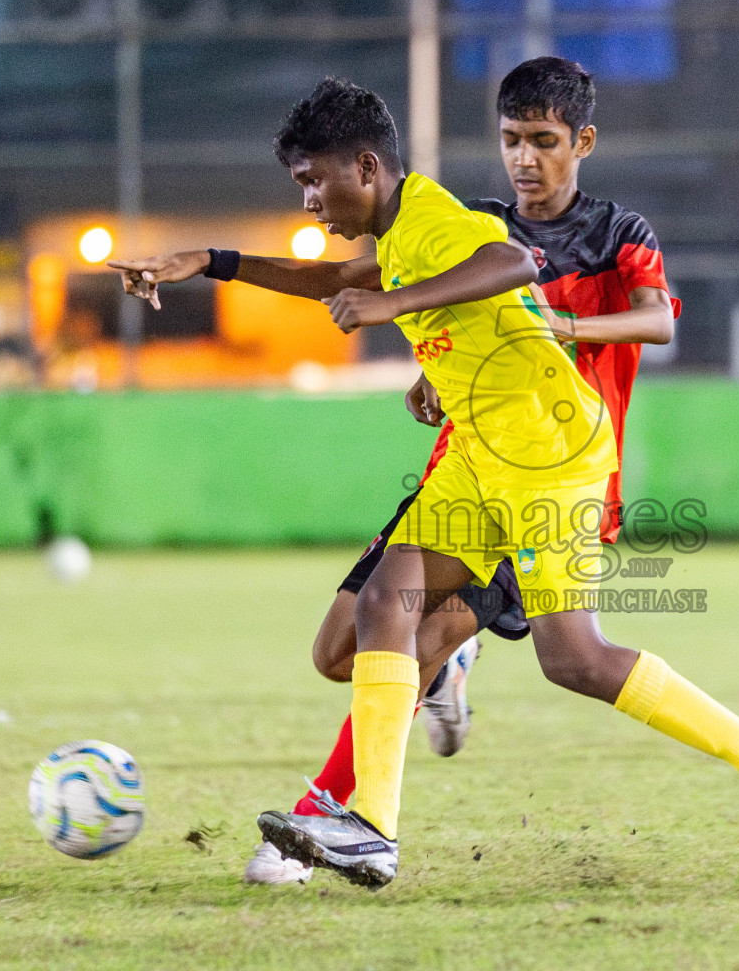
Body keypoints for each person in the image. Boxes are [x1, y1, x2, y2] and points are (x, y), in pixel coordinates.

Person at [114, 77, 739, 889]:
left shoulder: (435, 218)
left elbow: (513, 260)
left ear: (365, 166)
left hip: (549, 454)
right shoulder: (399, 229)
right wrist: (209, 262)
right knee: (386, 604)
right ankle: (371, 830)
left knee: (576, 661)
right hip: (478, 454)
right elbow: (341, 279)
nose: (310, 198)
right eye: (300, 185)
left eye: (315, 180)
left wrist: (399, 307)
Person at [228, 56, 684, 885]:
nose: (524, 158)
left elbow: (656, 320)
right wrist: (430, 368)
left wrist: (567, 331)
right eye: (511, 141)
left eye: (543, 142)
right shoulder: (471, 223)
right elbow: (390, 291)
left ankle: (327, 824)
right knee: (351, 644)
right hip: (463, 466)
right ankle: (380, 774)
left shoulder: (621, 233)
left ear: (582, 143)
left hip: (558, 477)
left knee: (438, 633)